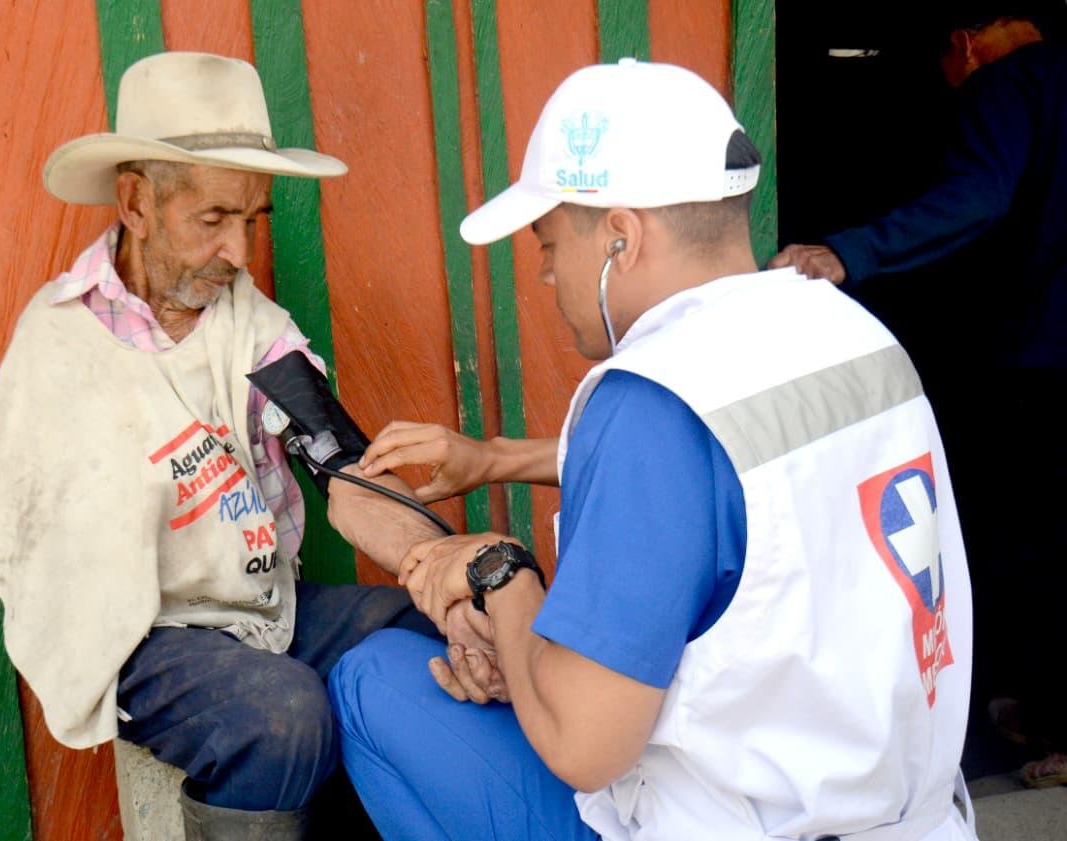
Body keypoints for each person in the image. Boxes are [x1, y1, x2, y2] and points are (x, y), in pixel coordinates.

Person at [327, 59, 978, 840]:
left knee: (371, 679)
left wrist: (501, 573)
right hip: (912, 816)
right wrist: (497, 459)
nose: (543, 273)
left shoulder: (650, 399)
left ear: (621, 237)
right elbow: (727, 481)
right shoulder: (852, 333)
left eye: (548, 243)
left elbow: (584, 746)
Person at [0, 52, 462, 840]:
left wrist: (451, 572)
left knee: (426, 630)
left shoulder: (253, 327)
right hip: (141, 633)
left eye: (252, 219)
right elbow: (23, 533)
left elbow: (342, 466)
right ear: (137, 203)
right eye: (213, 220)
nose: (239, 252)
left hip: (260, 608)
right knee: (283, 717)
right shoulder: (61, 339)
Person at [770, 5, 1067, 786]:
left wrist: (849, 252)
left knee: (1040, 542)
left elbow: (978, 196)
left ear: (964, 46)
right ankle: (1044, 708)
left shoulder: (1009, 83)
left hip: (1047, 363)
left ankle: (1054, 722)